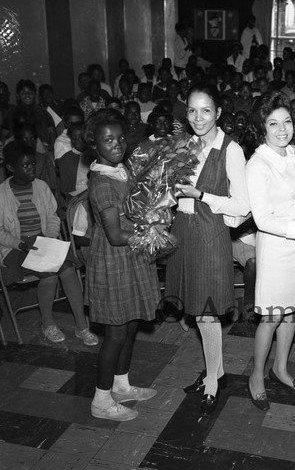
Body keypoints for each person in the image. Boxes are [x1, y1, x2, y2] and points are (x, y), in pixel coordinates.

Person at [165, 84, 250, 416]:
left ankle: (213, 382)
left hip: (210, 233)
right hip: (183, 231)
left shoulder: (231, 150)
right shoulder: (184, 145)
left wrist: (201, 195)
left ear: (218, 113)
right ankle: (217, 373)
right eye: (191, 110)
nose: (198, 117)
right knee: (195, 309)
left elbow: (243, 205)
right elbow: (175, 194)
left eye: (205, 110)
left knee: (206, 310)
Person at [246, 91, 295, 411]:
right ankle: (256, 376)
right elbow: (263, 219)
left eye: (287, 121)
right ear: (262, 126)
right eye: (273, 123)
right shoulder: (258, 163)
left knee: (291, 311)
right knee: (273, 316)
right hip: (278, 249)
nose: (281, 129)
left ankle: (281, 368)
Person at [85, 109, 159, 421]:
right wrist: (150, 234)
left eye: (119, 138)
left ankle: (121, 385)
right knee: (115, 334)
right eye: (108, 140)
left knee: (129, 328)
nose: (117, 144)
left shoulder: (121, 171)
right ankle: (101, 400)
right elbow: (115, 235)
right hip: (114, 260)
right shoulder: (103, 182)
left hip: (129, 259)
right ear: (95, 145)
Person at [0, 141, 98, 346]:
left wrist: (50, 237)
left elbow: (53, 216)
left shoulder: (41, 186)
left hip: (42, 239)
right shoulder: (2, 194)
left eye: (33, 164)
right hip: (16, 247)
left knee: (68, 270)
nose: (31, 169)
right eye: (25, 165)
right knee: (50, 275)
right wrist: (20, 244)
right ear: (10, 168)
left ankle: (82, 326)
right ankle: (48, 323)